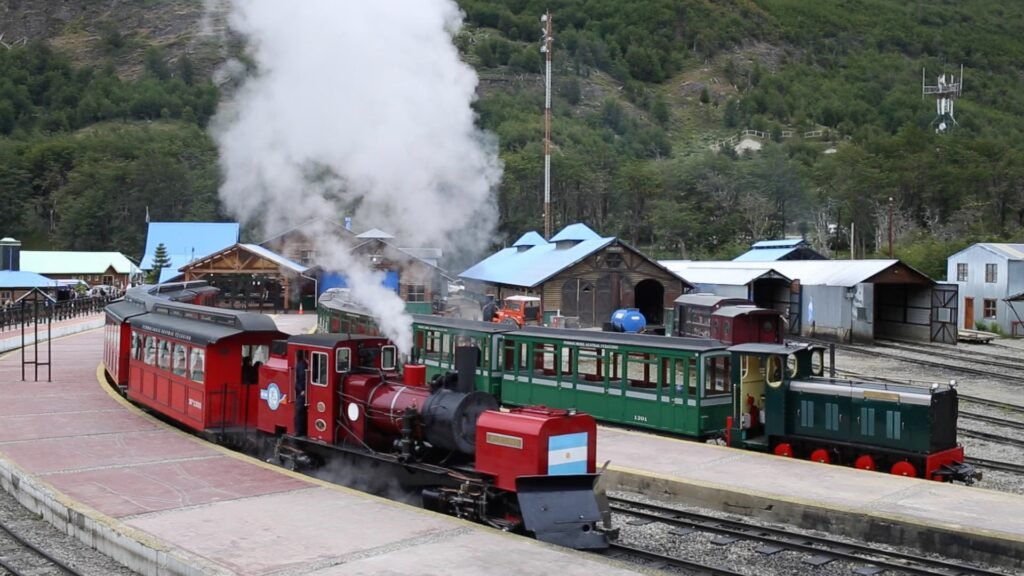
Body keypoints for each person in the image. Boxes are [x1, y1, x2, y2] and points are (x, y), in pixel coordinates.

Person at [294, 352, 308, 436]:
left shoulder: (315, 363)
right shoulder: (300, 365)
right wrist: (302, 390)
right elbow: (297, 381)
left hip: (313, 391)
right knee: (299, 409)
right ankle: (299, 431)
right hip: (302, 392)